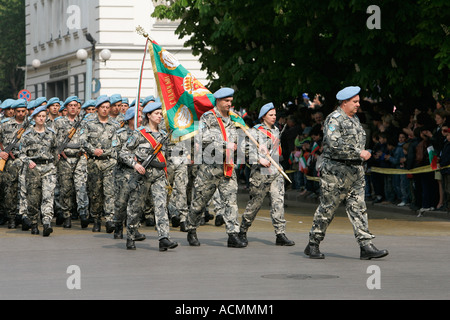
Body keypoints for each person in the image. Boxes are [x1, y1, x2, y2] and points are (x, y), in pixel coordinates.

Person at [304, 86, 389, 260]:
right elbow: (334, 144)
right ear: (345, 102)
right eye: (355, 102)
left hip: (355, 172)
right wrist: (358, 153)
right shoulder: (334, 119)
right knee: (328, 208)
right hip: (336, 172)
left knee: (359, 208)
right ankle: (313, 243)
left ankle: (366, 245)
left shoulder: (355, 119)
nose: (358, 104)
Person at [186, 87, 245, 248]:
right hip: (210, 168)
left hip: (227, 167)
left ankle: (232, 234)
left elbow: (240, 139)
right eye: (226, 101)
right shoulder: (208, 117)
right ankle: (191, 228)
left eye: (231, 101)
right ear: (218, 101)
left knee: (231, 201)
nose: (229, 104)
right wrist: (225, 144)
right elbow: (203, 138)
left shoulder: (233, 119)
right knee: (199, 202)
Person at [120, 102, 178, 251]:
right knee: (135, 208)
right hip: (142, 175)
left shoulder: (164, 135)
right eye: (157, 114)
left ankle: (163, 238)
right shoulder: (139, 134)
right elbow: (123, 152)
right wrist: (135, 164)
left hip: (159, 175)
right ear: (148, 115)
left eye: (160, 114)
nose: (159, 116)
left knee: (160, 206)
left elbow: (168, 155)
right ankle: (131, 235)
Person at [239, 102, 295, 246]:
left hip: (275, 171)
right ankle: (242, 231)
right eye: (271, 115)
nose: (274, 117)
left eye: (275, 114)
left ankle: (280, 234)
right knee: (255, 204)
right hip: (260, 173)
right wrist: (259, 158)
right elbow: (245, 149)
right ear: (263, 116)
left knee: (278, 202)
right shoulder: (255, 132)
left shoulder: (276, 130)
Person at [82, 95, 120, 232]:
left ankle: (109, 219)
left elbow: (117, 144)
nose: (105, 110)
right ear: (97, 109)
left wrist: (106, 152)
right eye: (102, 107)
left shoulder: (115, 125)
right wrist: (93, 150)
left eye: (107, 107)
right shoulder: (89, 124)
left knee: (110, 192)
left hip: (109, 162)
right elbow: (83, 141)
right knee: (95, 193)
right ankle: (97, 219)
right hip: (94, 163)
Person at [19, 105, 58, 236]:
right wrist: (28, 161)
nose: (41, 119)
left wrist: (53, 164)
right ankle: (34, 223)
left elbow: (55, 150)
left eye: (43, 116)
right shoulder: (27, 135)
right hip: (33, 169)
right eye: (39, 116)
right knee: (33, 198)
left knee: (48, 196)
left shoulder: (51, 133)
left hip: (48, 168)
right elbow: (21, 153)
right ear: (34, 118)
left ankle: (47, 222)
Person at [54, 96, 90, 229]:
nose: (73, 107)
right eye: (70, 105)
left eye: (76, 105)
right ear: (66, 107)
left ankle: (83, 214)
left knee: (81, 188)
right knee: (66, 189)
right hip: (65, 159)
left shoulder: (83, 123)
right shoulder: (59, 122)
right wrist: (59, 150)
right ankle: (66, 215)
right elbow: (54, 139)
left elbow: (86, 139)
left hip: (79, 158)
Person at [0, 99, 29, 229]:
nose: (21, 113)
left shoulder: (30, 125)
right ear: (14, 111)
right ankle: (11, 217)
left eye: (23, 111)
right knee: (9, 191)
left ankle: (23, 216)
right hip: (10, 162)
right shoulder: (5, 124)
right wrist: (1, 152)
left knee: (25, 190)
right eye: (18, 111)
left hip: (25, 161)